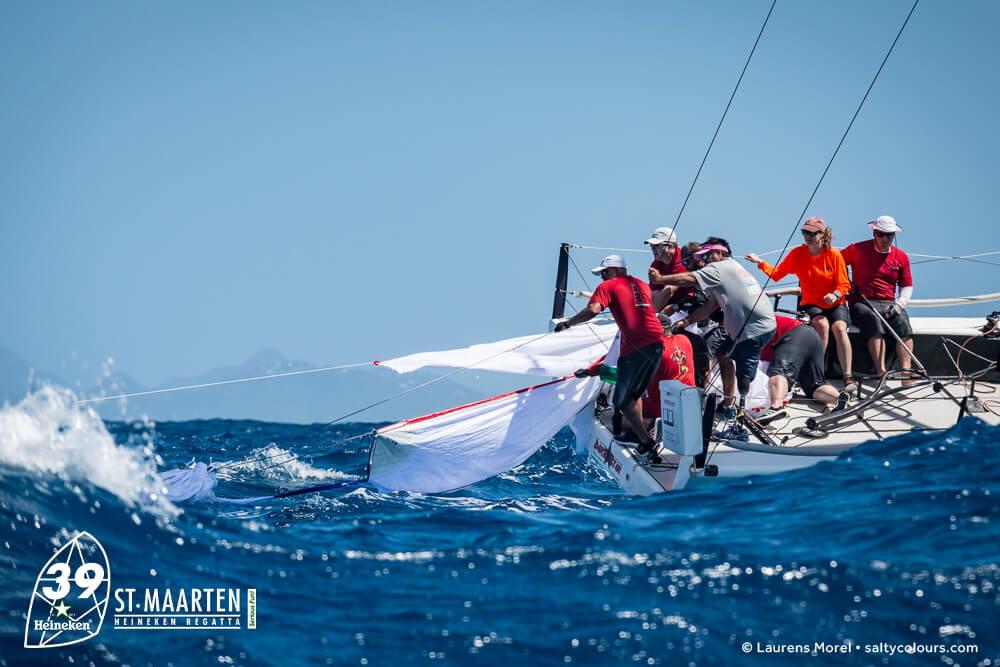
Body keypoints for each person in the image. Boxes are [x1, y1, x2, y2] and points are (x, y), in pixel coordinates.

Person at [655, 238, 777, 424]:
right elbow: (711, 305)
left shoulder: (720, 267)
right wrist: (686, 321)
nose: (705, 260)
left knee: (744, 373)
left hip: (754, 328)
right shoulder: (730, 268)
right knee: (724, 355)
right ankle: (729, 405)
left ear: (720, 253)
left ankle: (740, 415)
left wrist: (660, 279)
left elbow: (690, 278)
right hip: (752, 327)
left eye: (707, 255)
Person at [556, 254, 664, 461]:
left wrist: (569, 323)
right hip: (657, 345)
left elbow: (593, 309)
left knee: (622, 401)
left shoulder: (609, 285)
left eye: (604, 273)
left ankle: (647, 445)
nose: (602, 278)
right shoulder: (641, 284)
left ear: (614, 270)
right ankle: (639, 436)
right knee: (634, 396)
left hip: (636, 349)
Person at [744, 216, 857, 393]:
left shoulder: (833, 254)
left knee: (840, 328)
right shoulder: (798, 254)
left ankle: (848, 376)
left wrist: (834, 295)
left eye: (812, 232)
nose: (808, 236)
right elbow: (777, 274)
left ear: (822, 234)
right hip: (811, 302)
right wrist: (760, 263)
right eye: (805, 232)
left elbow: (845, 284)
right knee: (822, 324)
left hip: (835, 301)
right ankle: (817, 373)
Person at [841, 215, 914, 378]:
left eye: (889, 235)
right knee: (873, 322)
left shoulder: (901, 257)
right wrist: (847, 282)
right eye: (881, 234)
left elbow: (907, 286)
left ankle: (906, 370)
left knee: (903, 324)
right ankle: (881, 371)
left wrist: (899, 304)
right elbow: (836, 261)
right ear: (874, 233)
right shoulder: (857, 249)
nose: (885, 238)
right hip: (861, 301)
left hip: (888, 302)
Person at [758, 315, 850, 423]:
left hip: (792, 334)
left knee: (779, 371)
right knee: (815, 386)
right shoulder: (754, 317)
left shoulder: (745, 329)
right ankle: (839, 398)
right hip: (811, 335)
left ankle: (776, 407)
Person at [642, 325, 697, 421]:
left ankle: (649, 425)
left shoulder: (655, 348)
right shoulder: (684, 339)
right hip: (689, 405)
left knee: (625, 413)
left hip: (662, 409)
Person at [645, 226, 688, 304]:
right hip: (670, 303)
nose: (652, 248)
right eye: (651, 245)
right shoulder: (655, 264)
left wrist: (650, 315)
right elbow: (654, 293)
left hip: (686, 304)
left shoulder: (682, 261)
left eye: (656, 245)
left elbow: (668, 292)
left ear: (670, 246)